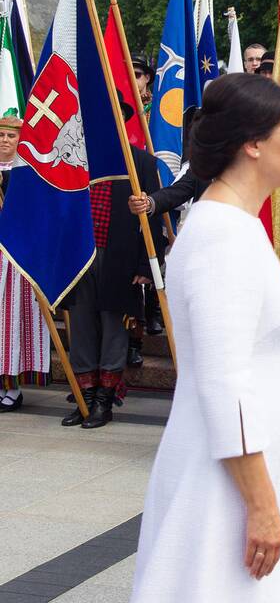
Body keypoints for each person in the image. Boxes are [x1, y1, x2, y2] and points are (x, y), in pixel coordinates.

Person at [131, 73, 280, 601]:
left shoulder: (236, 225)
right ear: (252, 143)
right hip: (229, 482)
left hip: (255, 466)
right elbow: (224, 380)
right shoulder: (221, 234)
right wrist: (262, 503)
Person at [58, 119, 165, 429]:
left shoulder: (140, 163)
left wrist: (146, 266)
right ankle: (85, 398)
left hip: (119, 259)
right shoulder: (73, 160)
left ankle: (105, 401)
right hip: (79, 257)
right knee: (80, 329)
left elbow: (152, 219)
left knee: (114, 329)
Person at [0, 116, 50, 412]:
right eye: (1, 135)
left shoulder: (28, 173)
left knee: (11, 322)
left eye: (11, 136)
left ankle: (11, 386)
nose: (5, 140)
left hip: (15, 257)